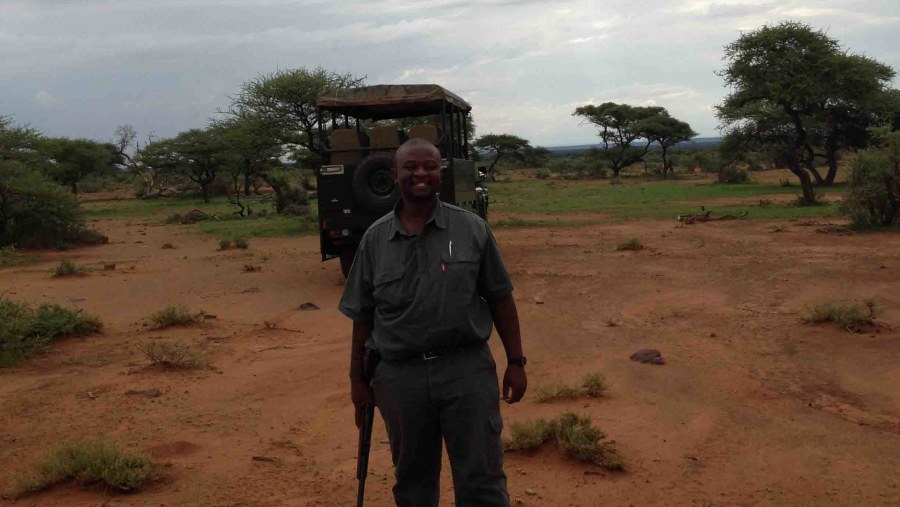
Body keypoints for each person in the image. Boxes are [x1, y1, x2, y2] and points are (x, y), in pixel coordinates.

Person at [339, 137, 527, 507]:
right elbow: (362, 317)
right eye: (410, 167)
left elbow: (501, 298)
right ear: (395, 175)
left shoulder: (472, 229)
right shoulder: (375, 240)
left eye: (429, 166)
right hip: (399, 378)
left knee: (482, 480)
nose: (420, 174)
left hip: (466, 371)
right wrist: (356, 382)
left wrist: (516, 362)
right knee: (412, 483)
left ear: (440, 173)